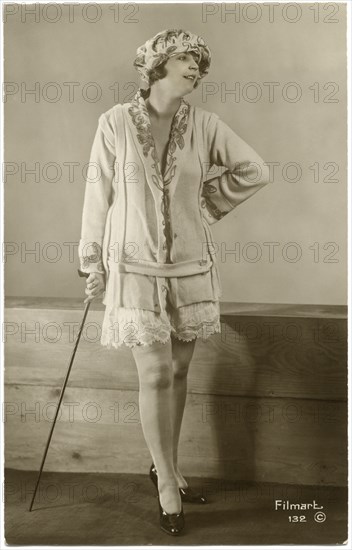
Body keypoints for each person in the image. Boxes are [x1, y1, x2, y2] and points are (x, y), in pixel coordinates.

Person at [78, 29, 270, 536]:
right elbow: (97, 195)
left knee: (179, 373)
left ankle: (170, 467)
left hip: (190, 268)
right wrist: (92, 260)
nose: (195, 69)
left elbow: (255, 170)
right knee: (155, 375)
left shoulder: (206, 125)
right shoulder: (114, 123)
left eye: (199, 62)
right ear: (158, 63)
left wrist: (203, 206)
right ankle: (165, 481)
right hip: (132, 270)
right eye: (186, 58)